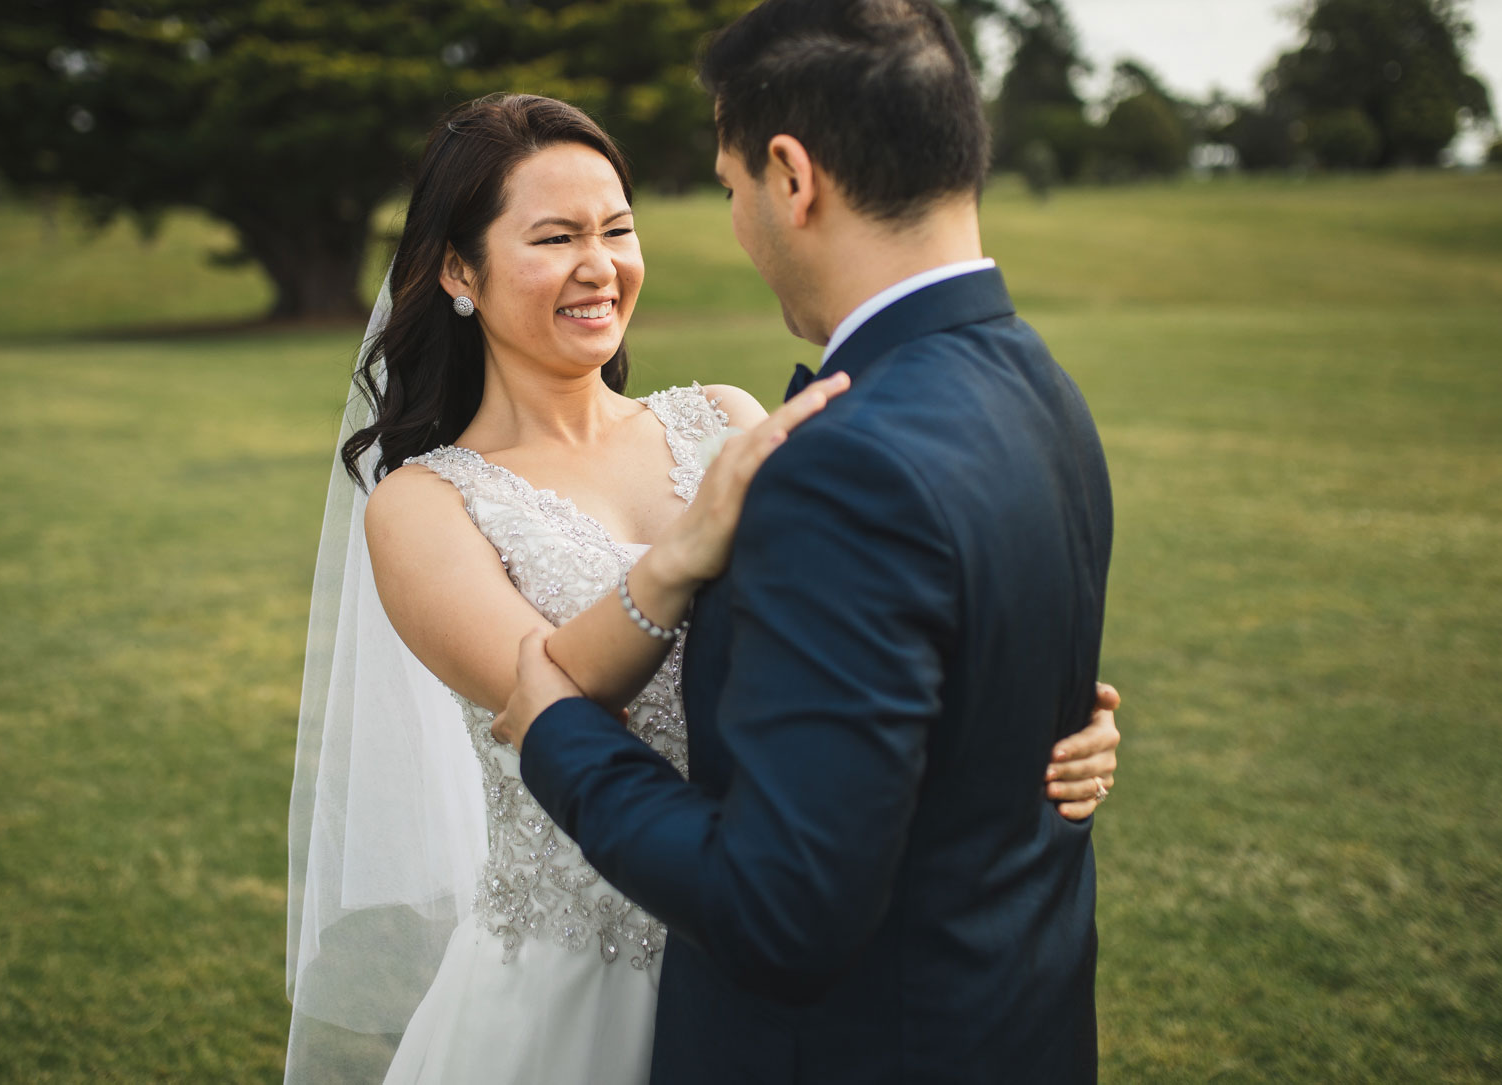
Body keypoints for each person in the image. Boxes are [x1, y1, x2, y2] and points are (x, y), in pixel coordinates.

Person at [284, 83, 1120, 1084]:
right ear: (458, 268)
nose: (599, 267)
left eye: (616, 229)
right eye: (553, 237)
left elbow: (869, 633)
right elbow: (540, 697)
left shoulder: (720, 419)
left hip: (753, 955)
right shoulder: (422, 506)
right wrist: (679, 558)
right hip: (567, 994)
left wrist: (1035, 730)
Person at [493, 0, 1115, 1083]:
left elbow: (782, 913)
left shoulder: (842, 466)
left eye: (729, 184)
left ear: (790, 175)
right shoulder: (1040, 387)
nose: (734, 220)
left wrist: (558, 729)